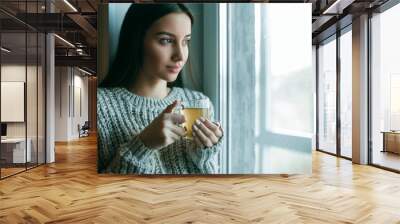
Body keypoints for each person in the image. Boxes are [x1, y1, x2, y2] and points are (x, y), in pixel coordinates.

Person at [97, 3, 223, 174]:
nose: (180, 55)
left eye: (186, 41)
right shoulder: (100, 106)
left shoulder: (199, 103)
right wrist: (143, 145)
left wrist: (205, 153)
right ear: (137, 39)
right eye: (166, 40)